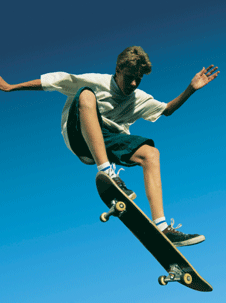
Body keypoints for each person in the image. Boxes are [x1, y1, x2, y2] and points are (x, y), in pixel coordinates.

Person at [0, 46, 220, 247]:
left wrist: (191, 89)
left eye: (138, 79)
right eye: (130, 78)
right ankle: (107, 172)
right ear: (118, 70)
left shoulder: (139, 98)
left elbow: (167, 110)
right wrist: (11, 88)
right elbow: (55, 82)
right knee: (86, 94)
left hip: (107, 141)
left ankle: (162, 228)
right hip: (78, 136)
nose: (133, 84)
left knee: (151, 154)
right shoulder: (98, 81)